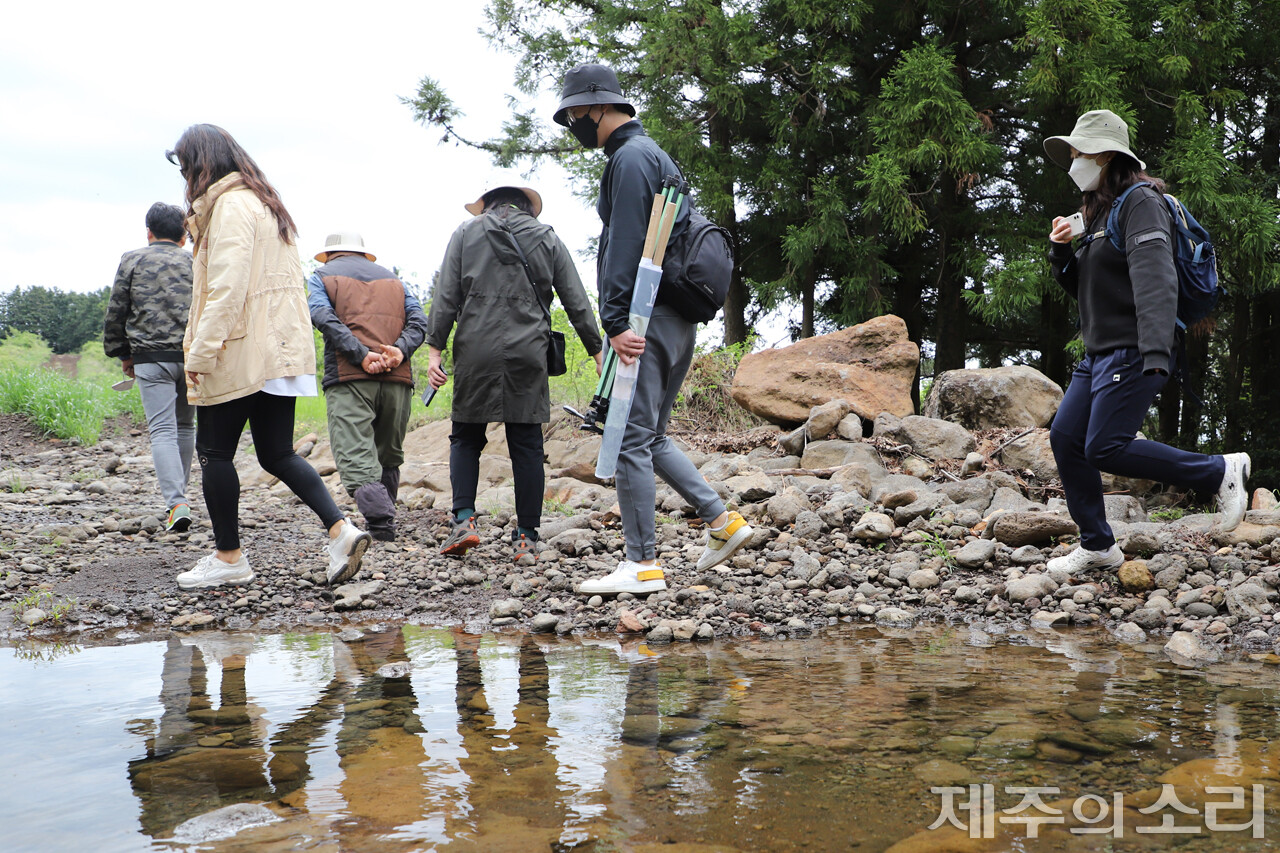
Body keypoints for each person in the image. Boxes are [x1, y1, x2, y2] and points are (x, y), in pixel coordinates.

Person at [552, 64, 753, 596]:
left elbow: (627, 243)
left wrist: (615, 322)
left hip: (646, 316)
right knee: (649, 435)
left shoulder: (629, 159)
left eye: (574, 114)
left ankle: (641, 565)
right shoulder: (655, 155)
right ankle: (722, 522)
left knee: (628, 442)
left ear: (597, 107)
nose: (573, 123)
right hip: (674, 318)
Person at [166, 124, 371, 590]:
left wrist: (201, 350)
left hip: (243, 348)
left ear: (200, 163)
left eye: (184, 167)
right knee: (276, 452)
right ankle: (341, 531)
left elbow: (227, 286)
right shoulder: (263, 201)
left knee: (214, 451)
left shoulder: (231, 206)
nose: (183, 178)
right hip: (278, 351)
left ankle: (229, 557)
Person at [1045, 109, 1250, 574]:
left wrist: (1156, 349)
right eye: (1073, 152)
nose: (1074, 160)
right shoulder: (1099, 211)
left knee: (1105, 446)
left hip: (1134, 346)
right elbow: (1090, 290)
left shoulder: (1141, 202)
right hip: (1099, 352)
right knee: (1066, 437)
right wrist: (1061, 252)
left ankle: (1219, 471)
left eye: (1081, 152)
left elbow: (1155, 277)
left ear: (1108, 156)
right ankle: (1098, 544)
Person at [425, 172, 605, 561]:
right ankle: (526, 539)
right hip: (529, 351)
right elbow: (575, 299)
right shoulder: (547, 237)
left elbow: (445, 296)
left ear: (488, 201)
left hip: (475, 348)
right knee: (526, 445)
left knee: (466, 437)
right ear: (525, 204)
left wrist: (435, 350)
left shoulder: (465, 233)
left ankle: (464, 520)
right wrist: (597, 351)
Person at [308, 232, 428, 542]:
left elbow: (321, 315)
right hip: (398, 379)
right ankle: (384, 526)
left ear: (330, 254)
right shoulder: (395, 281)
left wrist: (361, 355)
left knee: (355, 456)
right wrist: (399, 351)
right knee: (388, 454)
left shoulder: (321, 276)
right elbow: (419, 322)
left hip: (350, 379)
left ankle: (381, 524)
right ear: (363, 254)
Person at [103, 202, 196, 533]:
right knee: (185, 427)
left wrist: (121, 353)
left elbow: (118, 308)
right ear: (184, 236)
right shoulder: (196, 261)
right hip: (193, 357)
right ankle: (179, 498)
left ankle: (177, 502)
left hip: (150, 358)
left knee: (162, 430)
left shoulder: (133, 259)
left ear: (149, 232)